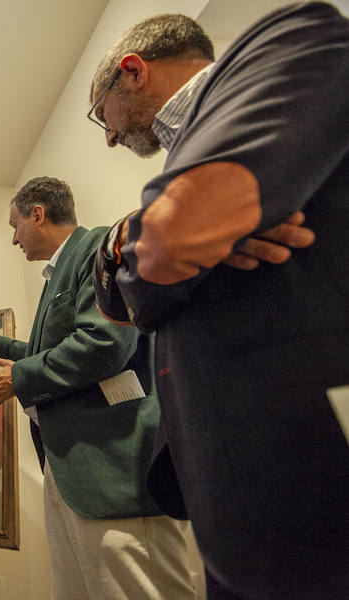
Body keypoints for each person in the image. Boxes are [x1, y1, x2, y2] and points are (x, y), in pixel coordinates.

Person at [87, 5, 349, 598]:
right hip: (230, 485)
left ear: (132, 71)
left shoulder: (292, 37)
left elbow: (165, 246)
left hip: (312, 470)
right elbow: (118, 298)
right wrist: (136, 237)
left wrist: (163, 239)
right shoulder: (185, 162)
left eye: (102, 114)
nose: (107, 135)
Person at [0, 177, 196, 599]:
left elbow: (104, 343)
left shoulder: (95, 249)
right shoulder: (61, 269)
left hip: (109, 467)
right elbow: (56, 346)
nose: (13, 238)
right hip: (69, 465)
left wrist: (16, 378)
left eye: (14, 224)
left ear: (38, 215)